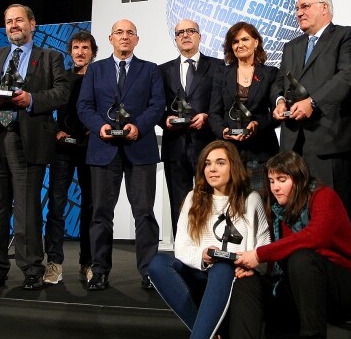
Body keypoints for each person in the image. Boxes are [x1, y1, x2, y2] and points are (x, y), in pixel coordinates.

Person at [195, 151, 351, 339]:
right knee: (247, 277)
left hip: (344, 289)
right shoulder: (277, 210)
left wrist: (259, 255)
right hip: (302, 290)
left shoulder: (323, 196)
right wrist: (251, 264)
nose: (275, 187)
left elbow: (314, 237)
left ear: (297, 179)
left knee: (302, 258)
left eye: (282, 179)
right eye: (272, 180)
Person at [148, 140, 270, 339]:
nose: (212, 169)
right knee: (158, 263)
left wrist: (250, 263)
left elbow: (264, 246)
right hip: (201, 275)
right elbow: (181, 247)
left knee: (223, 265)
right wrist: (202, 257)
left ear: (233, 166)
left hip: (233, 282)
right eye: (207, 164)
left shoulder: (251, 199)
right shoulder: (194, 198)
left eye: (220, 162)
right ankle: (212, 337)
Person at [0, 4, 70, 290]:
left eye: (19, 20)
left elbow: (61, 92)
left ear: (32, 24)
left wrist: (31, 99)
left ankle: (32, 268)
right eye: (8, 21)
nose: (13, 26)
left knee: (26, 210)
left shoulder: (51, 57)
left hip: (27, 139)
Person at [77, 19, 164, 292]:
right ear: (111, 39)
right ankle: (100, 271)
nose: (124, 37)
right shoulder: (96, 70)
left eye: (130, 33)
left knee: (144, 213)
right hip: (103, 151)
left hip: (140, 149)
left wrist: (139, 126)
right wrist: (97, 126)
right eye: (119, 32)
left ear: (137, 40)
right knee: (100, 213)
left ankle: (150, 272)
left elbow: (158, 104)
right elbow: (84, 106)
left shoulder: (150, 70)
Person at [271, 0, 351, 222]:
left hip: (331, 142)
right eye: (297, 9)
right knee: (299, 218)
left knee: (334, 217)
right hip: (294, 147)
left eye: (305, 6)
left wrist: (313, 102)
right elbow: (279, 81)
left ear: (325, 8)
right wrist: (280, 100)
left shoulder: (346, 36)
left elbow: (346, 77)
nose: (299, 13)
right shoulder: (291, 46)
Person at [159, 19, 222, 239]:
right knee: (179, 203)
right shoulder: (162, 70)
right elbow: (157, 106)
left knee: (213, 201)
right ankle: (182, 252)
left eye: (191, 31)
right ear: (175, 38)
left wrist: (208, 116)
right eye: (180, 32)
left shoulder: (218, 67)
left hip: (208, 146)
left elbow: (223, 102)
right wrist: (165, 119)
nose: (185, 35)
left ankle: (211, 250)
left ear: (199, 36)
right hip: (175, 146)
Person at [44, 31, 98, 285]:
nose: (80, 52)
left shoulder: (100, 77)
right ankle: (54, 263)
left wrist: (94, 128)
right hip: (62, 149)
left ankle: (87, 263)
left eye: (85, 48)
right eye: (76, 47)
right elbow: (47, 109)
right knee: (56, 205)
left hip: (90, 148)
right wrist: (57, 132)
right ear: (70, 51)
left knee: (90, 207)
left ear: (93, 52)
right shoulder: (61, 78)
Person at [209, 22, 280, 191]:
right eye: (235, 41)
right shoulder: (222, 73)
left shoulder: (270, 73)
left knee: (261, 208)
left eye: (245, 39)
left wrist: (258, 126)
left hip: (262, 151)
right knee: (230, 207)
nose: (240, 45)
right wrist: (223, 131)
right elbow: (214, 112)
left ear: (256, 42)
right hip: (228, 152)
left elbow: (276, 114)